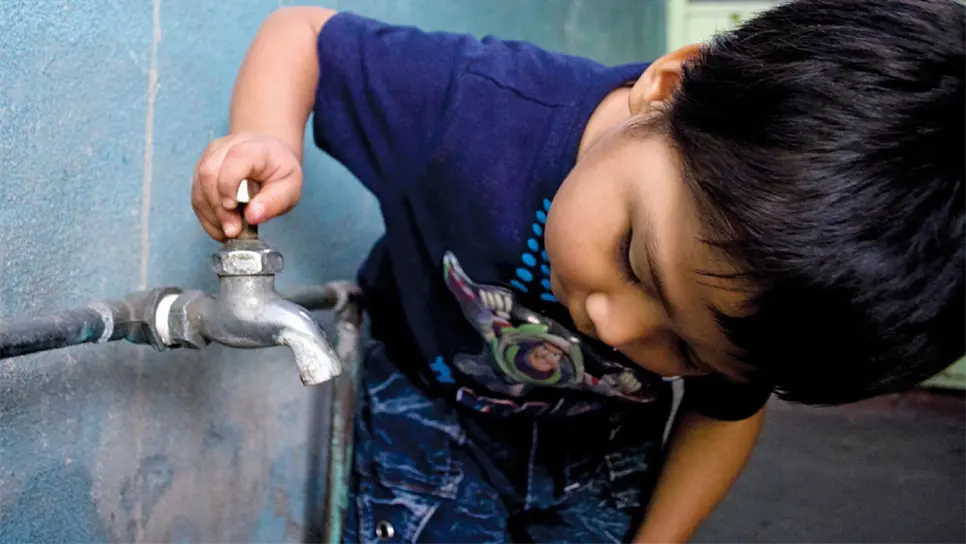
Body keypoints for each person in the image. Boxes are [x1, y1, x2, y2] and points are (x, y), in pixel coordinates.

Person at [190, 0, 966, 541]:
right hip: (431, 409)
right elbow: (301, 35)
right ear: (665, 88)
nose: (615, 327)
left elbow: (724, 414)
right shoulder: (473, 108)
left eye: (689, 352)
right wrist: (269, 141)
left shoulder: (765, 289)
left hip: (599, 442)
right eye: (637, 258)